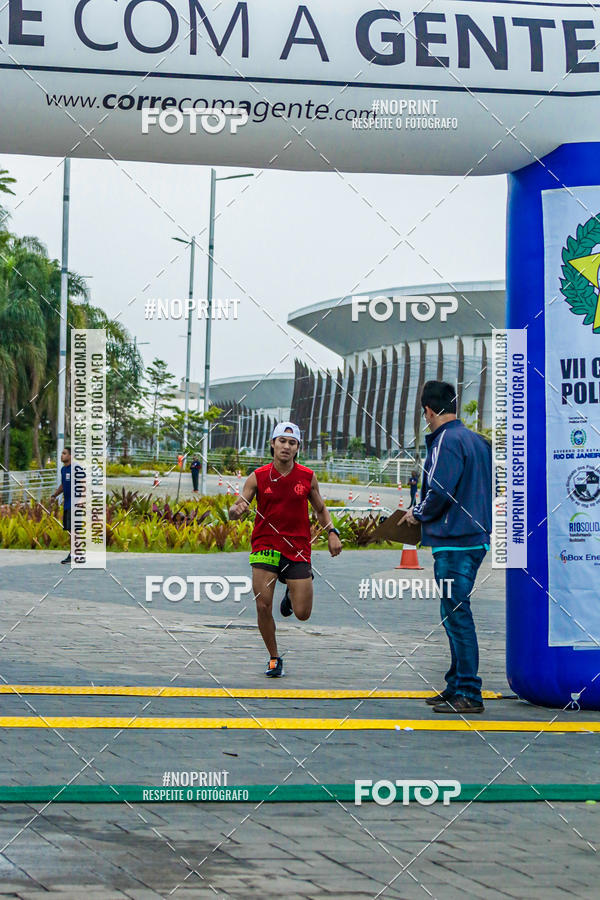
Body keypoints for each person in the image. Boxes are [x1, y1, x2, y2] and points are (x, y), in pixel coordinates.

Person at [405, 381, 492, 714]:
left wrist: (418, 514)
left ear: (428, 410)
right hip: (475, 537)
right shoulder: (478, 442)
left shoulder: (445, 440)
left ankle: (469, 691)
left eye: (424, 413)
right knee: (453, 612)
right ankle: (456, 682)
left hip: (454, 542)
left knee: (457, 615)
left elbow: (440, 491)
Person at [229, 422, 342, 677]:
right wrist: (235, 511)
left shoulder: (307, 476)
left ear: (297, 448)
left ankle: (291, 595)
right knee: (263, 606)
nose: (286, 446)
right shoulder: (257, 476)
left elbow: (320, 509)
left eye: (292, 443)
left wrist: (332, 532)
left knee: (302, 614)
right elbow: (240, 503)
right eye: (282, 441)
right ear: (272, 444)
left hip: (297, 548)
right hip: (265, 545)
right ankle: (274, 657)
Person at [51, 446, 72, 565]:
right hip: (67, 504)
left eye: (64, 453)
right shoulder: (64, 470)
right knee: (70, 530)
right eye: (61, 453)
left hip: (75, 504)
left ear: (70, 456)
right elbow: (63, 485)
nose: (61, 455)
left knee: (75, 530)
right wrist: (54, 495)